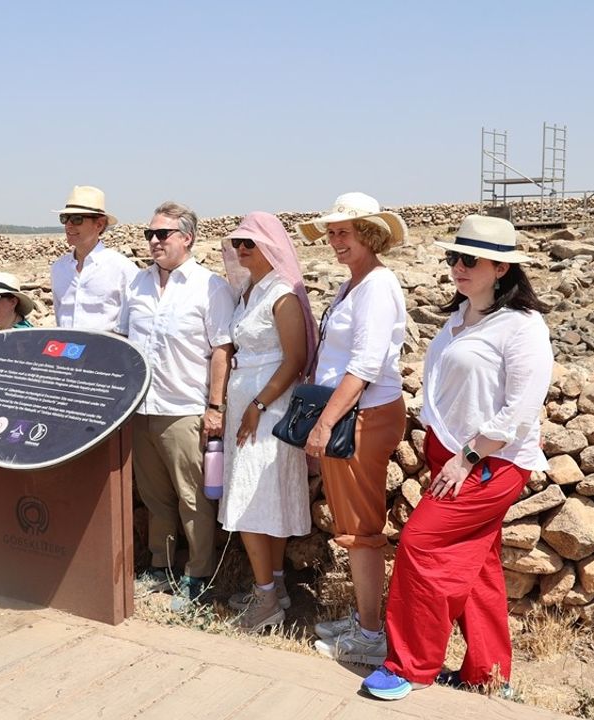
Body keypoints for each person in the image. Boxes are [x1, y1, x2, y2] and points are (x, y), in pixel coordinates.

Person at [362, 215, 553, 700]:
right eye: (453, 257)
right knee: (479, 564)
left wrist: (468, 456)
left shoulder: (523, 327)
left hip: (487, 462)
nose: (457, 267)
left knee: (420, 545)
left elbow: (520, 411)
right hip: (450, 453)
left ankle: (409, 665)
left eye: (470, 259)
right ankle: (488, 674)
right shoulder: (460, 317)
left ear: (502, 268)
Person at [293, 193, 409, 665]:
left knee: (361, 530)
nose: (334, 241)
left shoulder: (376, 286)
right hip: (352, 413)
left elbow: (364, 365)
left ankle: (370, 633)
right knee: (353, 525)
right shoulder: (353, 284)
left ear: (369, 234)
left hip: (361, 416)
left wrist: (323, 424)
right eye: (331, 233)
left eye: (344, 232)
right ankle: (364, 619)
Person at [120, 202, 234, 610]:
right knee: (155, 497)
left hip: (184, 408)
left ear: (187, 238)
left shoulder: (210, 286)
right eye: (149, 234)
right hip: (142, 408)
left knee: (193, 498)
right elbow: (124, 340)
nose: (153, 241)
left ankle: (198, 574)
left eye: (162, 234)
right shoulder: (138, 283)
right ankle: (160, 566)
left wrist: (215, 406)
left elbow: (222, 349)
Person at [218, 211, 316, 631]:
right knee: (266, 498)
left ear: (270, 247)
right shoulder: (249, 292)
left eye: (250, 244)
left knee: (254, 497)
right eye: (237, 243)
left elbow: (294, 359)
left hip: (268, 408)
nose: (241, 250)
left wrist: (258, 405)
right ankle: (275, 586)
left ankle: (265, 601)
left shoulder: (282, 295)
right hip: (248, 404)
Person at [49, 185, 138, 331]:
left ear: (99, 224)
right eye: (64, 218)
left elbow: (131, 324)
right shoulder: (58, 268)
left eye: (77, 219)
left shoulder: (122, 269)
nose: (68, 225)